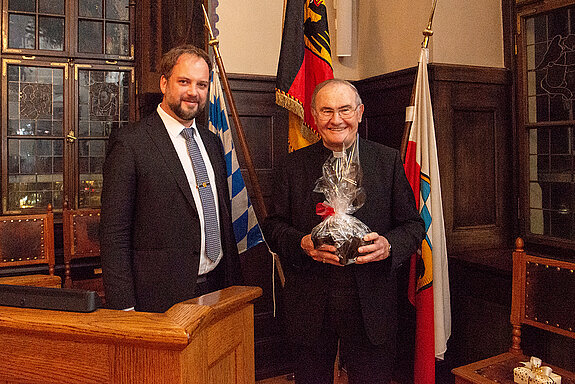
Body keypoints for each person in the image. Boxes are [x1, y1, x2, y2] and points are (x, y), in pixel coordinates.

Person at [263, 79, 425, 384]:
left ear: (360, 112)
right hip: (310, 307)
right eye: (326, 111)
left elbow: (413, 226)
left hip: (372, 307)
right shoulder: (292, 166)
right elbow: (273, 227)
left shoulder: (386, 161)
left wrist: (389, 245)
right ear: (313, 115)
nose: (336, 119)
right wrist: (303, 243)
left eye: (344, 110)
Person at [100, 45, 242, 313]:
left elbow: (220, 217)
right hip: (160, 298)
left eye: (202, 84)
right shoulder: (131, 143)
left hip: (218, 287)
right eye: (184, 81)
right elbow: (114, 233)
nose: (193, 92)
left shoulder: (211, 143)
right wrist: (124, 307)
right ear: (164, 83)